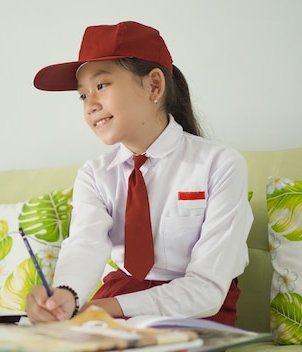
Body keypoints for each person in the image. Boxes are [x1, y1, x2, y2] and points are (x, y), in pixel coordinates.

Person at [25, 21, 253, 327]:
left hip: (193, 311)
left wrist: (106, 308)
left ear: (154, 85)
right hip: (117, 297)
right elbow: (85, 243)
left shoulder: (220, 164)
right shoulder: (94, 175)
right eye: (82, 96)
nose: (90, 105)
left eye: (101, 86)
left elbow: (207, 289)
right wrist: (66, 294)